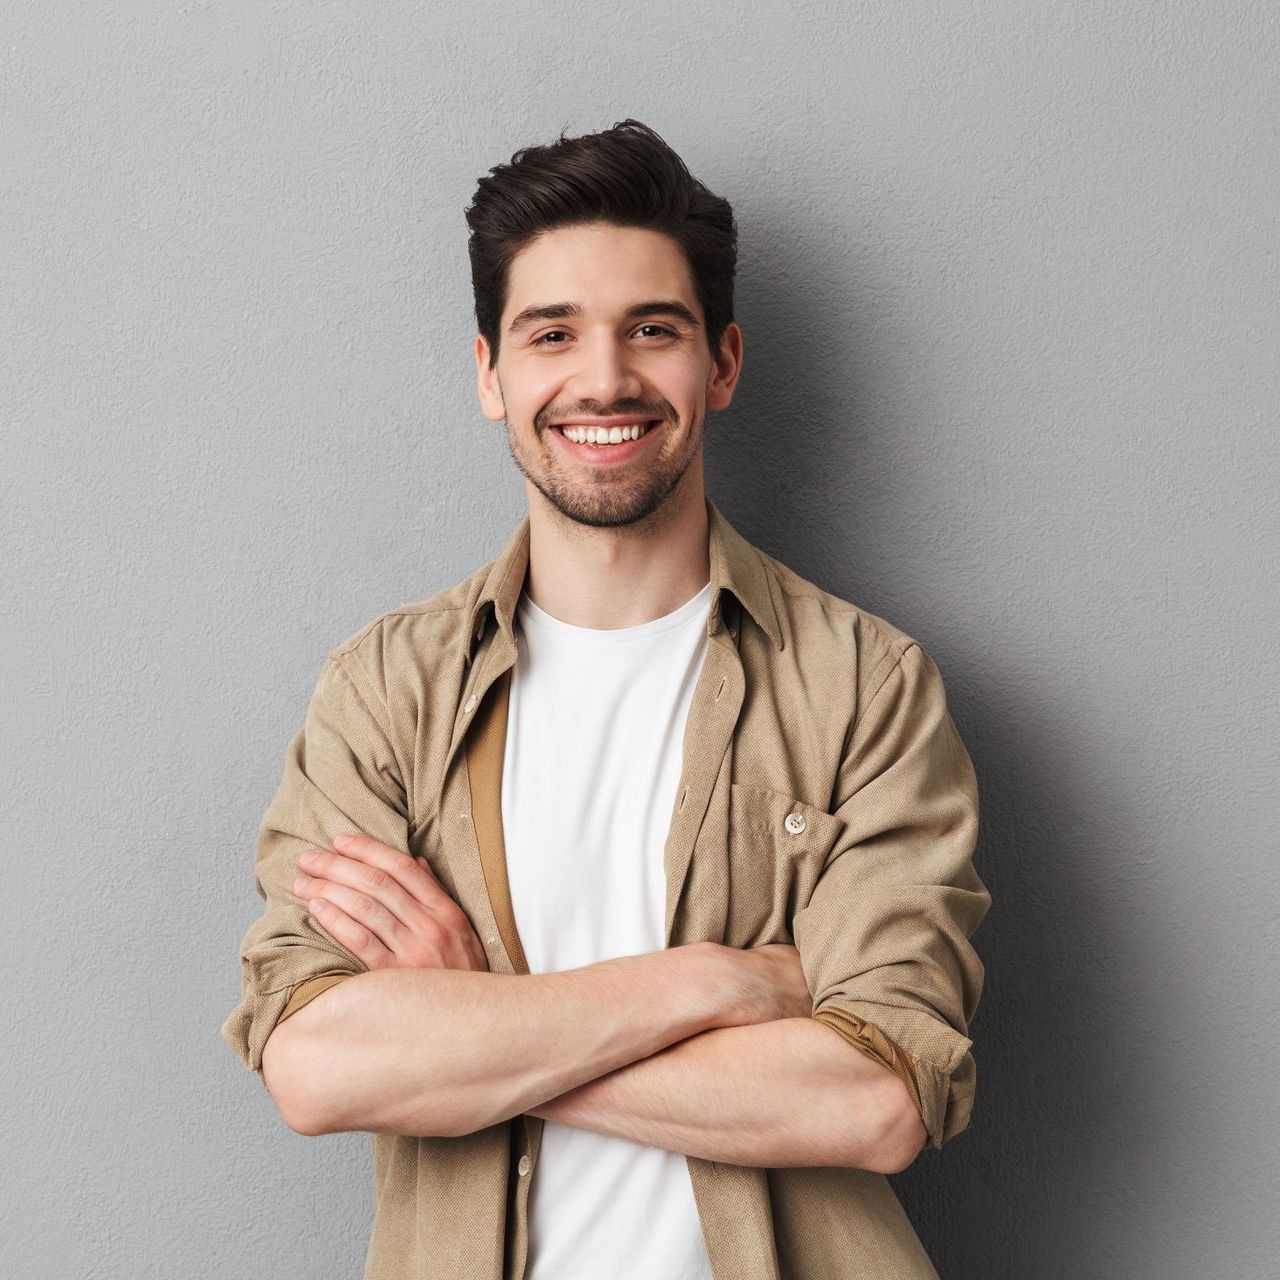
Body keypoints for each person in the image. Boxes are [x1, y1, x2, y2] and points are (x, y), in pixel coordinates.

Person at [221, 118, 991, 1280]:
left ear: (720, 362)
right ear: (490, 373)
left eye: (651, 329)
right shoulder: (387, 690)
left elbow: (875, 1097)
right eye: (551, 333)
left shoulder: (864, 686)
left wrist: (473, 1024)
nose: (604, 379)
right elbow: (319, 1066)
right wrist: (718, 982)